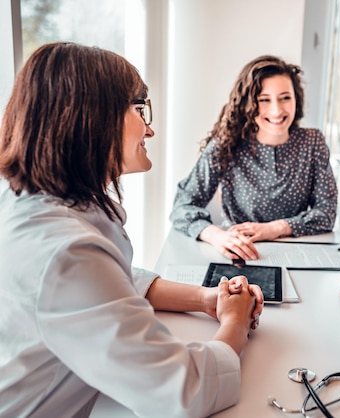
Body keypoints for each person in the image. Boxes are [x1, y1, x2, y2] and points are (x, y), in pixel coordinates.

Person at [0, 42, 264, 418]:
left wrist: (205, 299)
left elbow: (112, 281)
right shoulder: (64, 251)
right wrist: (235, 321)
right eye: (140, 107)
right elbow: (185, 391)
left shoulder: (32, 200)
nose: (151, 129)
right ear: (91, 117)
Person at [170, 55, 338, 261]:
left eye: (285, 97)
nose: (276, 110)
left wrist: (275, 228)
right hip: (239, 254)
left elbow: (326, 214)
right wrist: (217, 236)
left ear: (297, 99)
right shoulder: (225, 145)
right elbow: (181, 207)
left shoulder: (313, 143)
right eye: (264, 100)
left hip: (296, 253)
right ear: (248, 104)